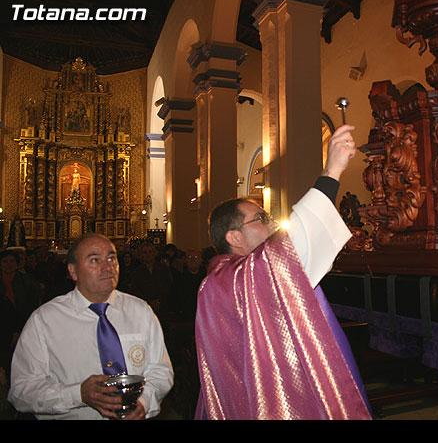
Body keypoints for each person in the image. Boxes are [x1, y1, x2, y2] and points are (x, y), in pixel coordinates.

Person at [195, 124, 371, 420]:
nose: (273, 223)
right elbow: (295, 248)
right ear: (234, 237)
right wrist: (332, 171)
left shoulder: (222, 279)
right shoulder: (231, 279)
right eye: (260, 218)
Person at [8, 233, 174, 420]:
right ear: (73, 271)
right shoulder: (45, 320)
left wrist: (144, 402)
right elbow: (21, 391)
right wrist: (77, 394)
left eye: (111, 259)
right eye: (95, 260)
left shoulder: (140, 311)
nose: (107, 267)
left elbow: (160, 370)